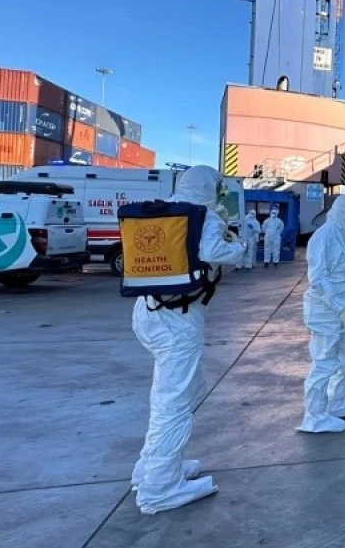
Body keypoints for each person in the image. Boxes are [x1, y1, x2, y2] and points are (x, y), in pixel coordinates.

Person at [130, 165, 244, 514]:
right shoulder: (203, 215)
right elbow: (216, 253)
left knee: (165, 396)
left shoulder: (163, 209)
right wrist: (238, 244)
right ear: (210, 188)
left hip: (147, 311)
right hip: (177, 319)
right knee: (175, 403)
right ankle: (160, 489)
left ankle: (151, 469)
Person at [298, 194, 345, 432]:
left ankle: (336, 404)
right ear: (342, 214)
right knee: (324, 362)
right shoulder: (324, 237)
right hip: (326, 312)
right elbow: (318, 279)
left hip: (344, 311)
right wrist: (340, 308)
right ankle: (314, 416)